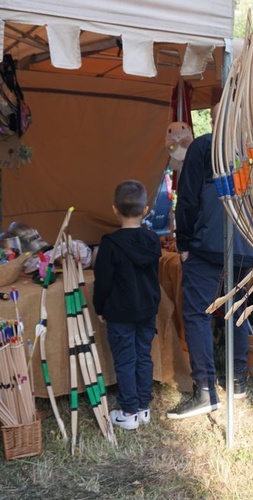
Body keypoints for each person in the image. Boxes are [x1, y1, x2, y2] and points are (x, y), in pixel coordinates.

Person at [166, 108, 253, 420]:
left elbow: (188, 199)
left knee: (197, 314)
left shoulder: (205, 147)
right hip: (247, 245)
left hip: (210, 245)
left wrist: (185, 243)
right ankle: (237, 381)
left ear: (217, 120)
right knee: (237, 309)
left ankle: (205, 390)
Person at [93, 180, 162, 430]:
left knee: (125, 359)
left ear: (114, 209)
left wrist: (99, 308)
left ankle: (129, 411)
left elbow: (103, 283)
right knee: (143, 355)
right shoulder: (153, 240)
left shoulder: (110, 244)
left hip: (120, 312)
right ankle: (143, 407)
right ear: (145, 210)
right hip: (146, 310)